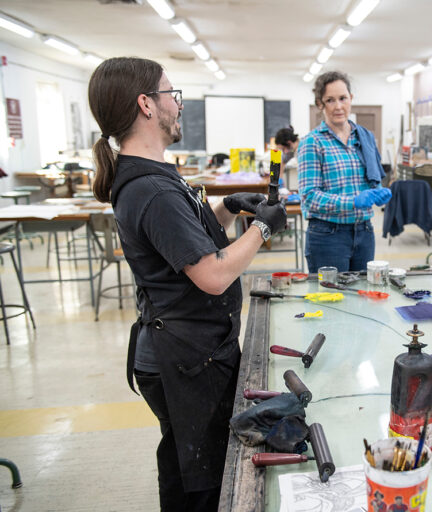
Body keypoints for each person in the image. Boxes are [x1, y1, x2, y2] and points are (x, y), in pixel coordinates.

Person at [88, 57, 287, 511]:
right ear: (146, 105)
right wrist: (263, 228)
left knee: (187, 464)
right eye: (171, 95)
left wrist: (226, 209)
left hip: (189, 348)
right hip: (186, 358)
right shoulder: (152, 190)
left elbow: (182, 245)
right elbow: (212, 275)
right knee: (200, 478)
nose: (178, 106)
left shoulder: (153, 173)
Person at [298, 70, 392, 273]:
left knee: (362, 291)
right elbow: (309, 197)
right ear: (320, 104)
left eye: (343, 98)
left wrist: (377, 191)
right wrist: (353, 201)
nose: (338, 106)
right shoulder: (312, 142)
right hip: (327, 235)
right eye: (330, 100)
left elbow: (372, 177)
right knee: (331, 293)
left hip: (364, 231)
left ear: (351, 98)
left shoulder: (365, 137)